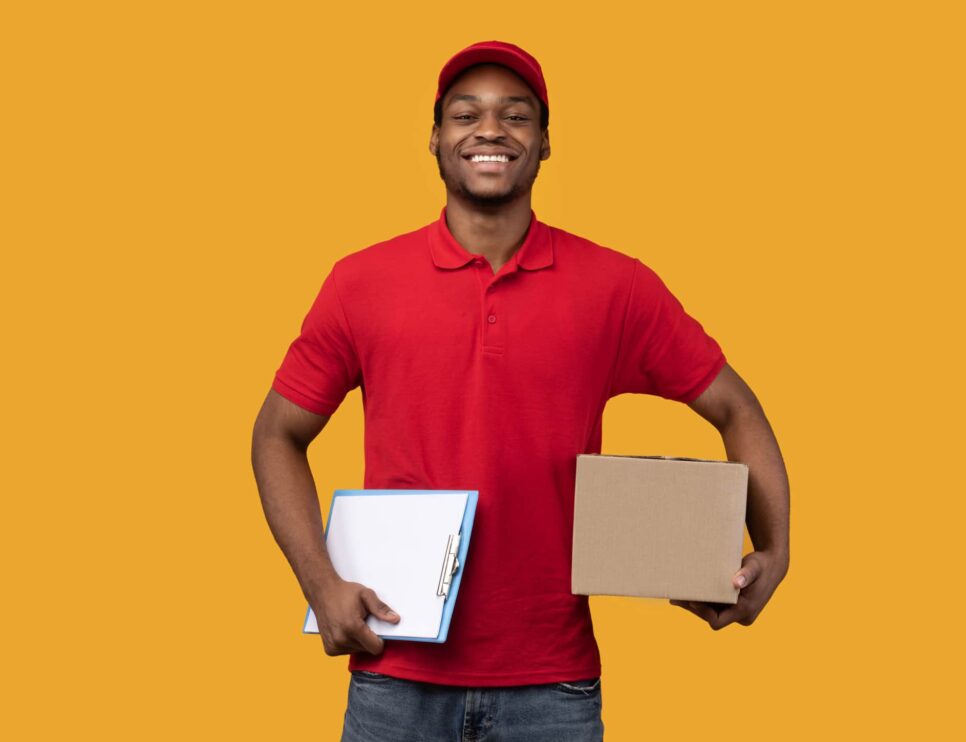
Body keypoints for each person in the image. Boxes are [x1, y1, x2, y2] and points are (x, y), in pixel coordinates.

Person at [251, 40, 789, 742]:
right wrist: (320, 584)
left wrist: (774, 551)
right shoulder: (361, 283)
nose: (491, 130)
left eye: (516, 115)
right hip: (394, 675)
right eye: (466, 113)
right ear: (436, 139)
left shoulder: (615, 288)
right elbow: (276, 434)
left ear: (543, 143)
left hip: (553, 687)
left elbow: (735, 406)